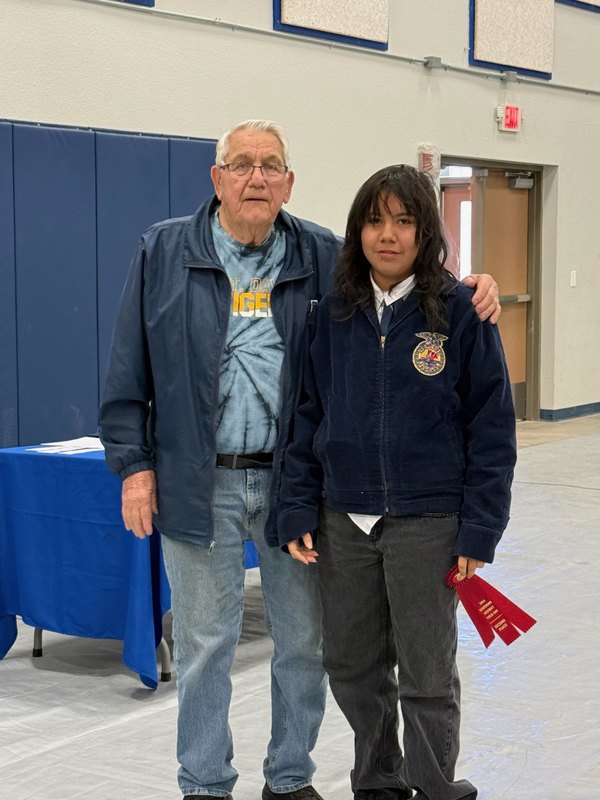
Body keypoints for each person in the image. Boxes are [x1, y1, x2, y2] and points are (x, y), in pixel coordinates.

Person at [99, 121, 501, 800]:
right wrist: (134, 465)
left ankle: (289, 780)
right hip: (199, 483)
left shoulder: (319, 253)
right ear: (217, 177)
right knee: (203, 650)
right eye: (242, 164)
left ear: (290, 183)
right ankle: (203, 783)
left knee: (308, 647)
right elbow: (125, 373)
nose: (257, 177)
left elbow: (403, 273)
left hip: (299, 487)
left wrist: (473, 284)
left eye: (272, 166)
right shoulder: (162, 252)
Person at [278, 165, 516, 800]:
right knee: (352, 665)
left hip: (429, 521)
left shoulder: (463, 312)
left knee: (426, 670)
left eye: (404, 221)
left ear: (425, 231)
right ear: (358, 230)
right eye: (375, 221)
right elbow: (307, 414)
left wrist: (480, 526)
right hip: (343, 520)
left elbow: (491, 428)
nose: (388, 235)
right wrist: (299, 506)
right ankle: (379, 782)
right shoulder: (330, 314)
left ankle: (437, 786)